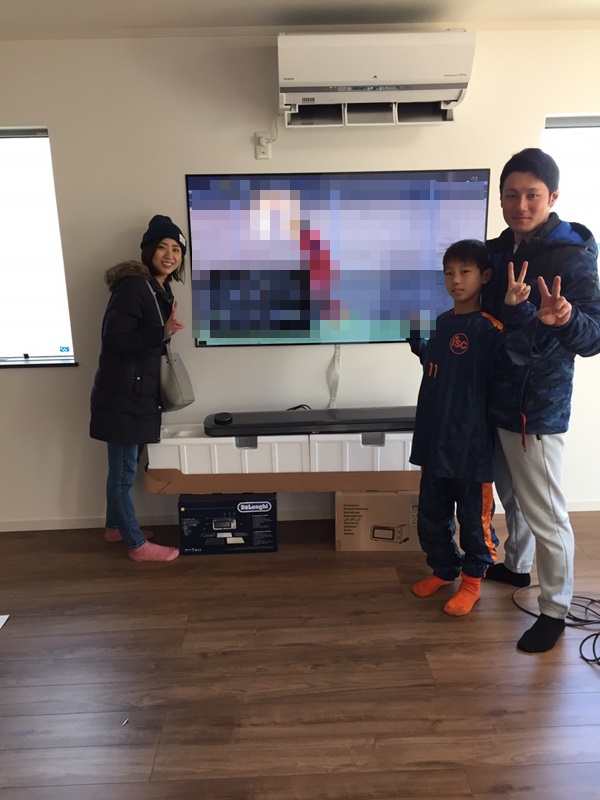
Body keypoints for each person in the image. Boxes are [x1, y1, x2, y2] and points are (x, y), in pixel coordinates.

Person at [482, 147, 600, 652]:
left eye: (532, 195)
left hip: (538, 407)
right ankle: (517, 565)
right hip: (493, 397)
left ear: (552, 197)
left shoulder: (572, 255)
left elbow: (593, 338)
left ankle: (554, 608)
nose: (521, 205)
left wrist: (566, 318)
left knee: (546, 512)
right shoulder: (496, 251)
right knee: (511, 496)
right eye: (511, 195)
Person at [409, 239, 532, 616]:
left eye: (465, 272)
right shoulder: (443, 323)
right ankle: (443, 570)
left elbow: (513, 363)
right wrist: (418, 342)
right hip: (434, 439)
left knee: (473, 520)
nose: (456, 280)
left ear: (485, 276)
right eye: (449, 273)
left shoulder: (490, 329)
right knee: (431, 514)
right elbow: (438, 366)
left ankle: (473, 581)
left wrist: (516, 310)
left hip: (470, 444)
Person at [90, 215, 188, 562]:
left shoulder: (159, 289)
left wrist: (162, 331)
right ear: (148, 250)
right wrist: (162, 332)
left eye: (176, 249)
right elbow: (115, 339)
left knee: (123, 469)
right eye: (162, 247)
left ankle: (115, 528)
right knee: (123, 474)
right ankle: (136, 545)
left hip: (138, 395)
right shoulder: (134, 286)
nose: (169, 255)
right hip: (123, 397)